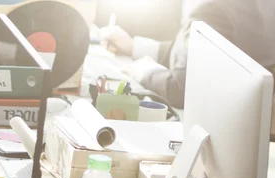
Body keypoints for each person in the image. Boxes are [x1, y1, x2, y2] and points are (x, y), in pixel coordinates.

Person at [101, 0, 275, 108]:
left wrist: (142, 70)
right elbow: (202, 55)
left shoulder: (210, 9)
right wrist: (135, 47)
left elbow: (181, 89)